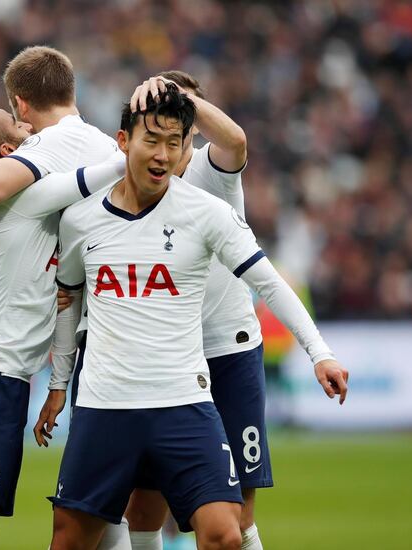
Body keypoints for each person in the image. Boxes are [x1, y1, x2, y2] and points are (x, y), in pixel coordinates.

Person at [42, 86, 348, 550]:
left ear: (188, 147)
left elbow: (269, 282)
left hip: (183, 404)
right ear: (123, 141)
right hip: (105, 405)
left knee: (227, 533)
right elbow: (67, 300)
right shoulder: (81, 219)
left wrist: (319, 353)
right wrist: (59, 384)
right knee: (70, 540)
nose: (164, 153)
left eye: (176, 142)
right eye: (153, 140)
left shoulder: (207, 212)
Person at [0, 45, 123, 550]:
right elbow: (82, 180)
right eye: (19, 137)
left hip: (2, 378)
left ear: (20, 101)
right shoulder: (30, 186)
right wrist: (133, 156)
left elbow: (66, 272)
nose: (29, 136)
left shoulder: (31, 188)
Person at [113, 70, 272, 550]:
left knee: (237, 512)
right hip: (165, 356)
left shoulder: (213, 168)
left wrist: (180, 96)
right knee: (143, 503)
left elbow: (237, 140)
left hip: (226, 349)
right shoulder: (135, 175)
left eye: (187, 115)